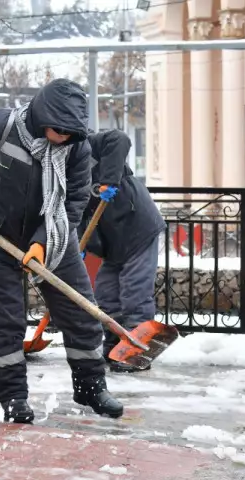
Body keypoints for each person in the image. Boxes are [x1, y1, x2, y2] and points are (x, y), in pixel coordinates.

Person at [0, 78, 123, 424]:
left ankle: (91, 386)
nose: (63, 137)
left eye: (70, 132)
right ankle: (14, 398)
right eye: (58, 129)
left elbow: (75, 200)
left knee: (81, 312)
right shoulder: (1, 127)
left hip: (52, 236)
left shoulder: (78, 149)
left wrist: (42, 243)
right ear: (40, 116)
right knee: (4, 321)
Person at [81, 129, 166, 372]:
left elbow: (119, 139)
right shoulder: (59, 173)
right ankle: (116, 344)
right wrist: (79, 245)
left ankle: (138, 350)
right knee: (106, 295)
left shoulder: (86, 144)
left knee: (135, 292)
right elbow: (74, 212)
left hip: (137, 228)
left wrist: (108, 180)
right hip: (111, 243)